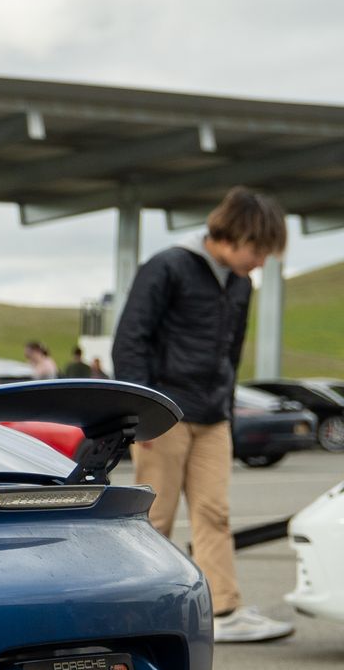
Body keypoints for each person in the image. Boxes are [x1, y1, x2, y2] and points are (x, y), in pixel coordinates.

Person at [110, 185, 291, 643]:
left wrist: (226, 410)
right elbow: (130, 340)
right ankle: (137, 614)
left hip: (213, 417)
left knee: (215, 512)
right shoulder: (167, 267)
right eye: (259, 250)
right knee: (157, 517)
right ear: (233, 236)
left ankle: (224, 610)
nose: (261, 262)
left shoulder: (240, 284)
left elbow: (231, 353)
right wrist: (141, 414)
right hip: (165, 414)